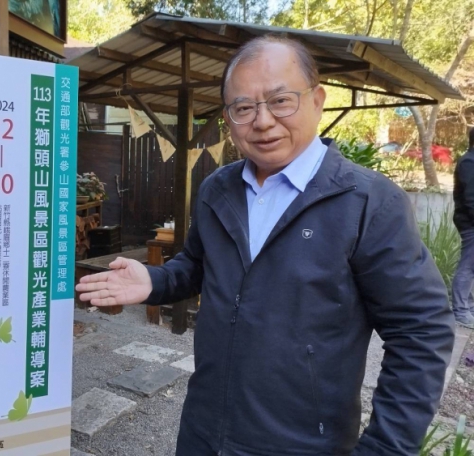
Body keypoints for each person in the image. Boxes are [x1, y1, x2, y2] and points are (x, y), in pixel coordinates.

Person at [76, 35, 455, 456]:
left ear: (317, 100)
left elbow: (420, 332)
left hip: (304, 445)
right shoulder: (218, 188)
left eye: (280, 101)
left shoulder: (368, 202)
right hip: (203, 432)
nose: (262, 121)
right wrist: (155, 280)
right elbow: (196, 267)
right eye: (244, 108)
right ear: (228, 118)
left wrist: (385, 448)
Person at [451, 128, 474, 328]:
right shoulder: (469, 162)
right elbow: (470, 198)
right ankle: (460, 310)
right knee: (468, 265)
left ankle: (468, 305)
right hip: (470, 222)